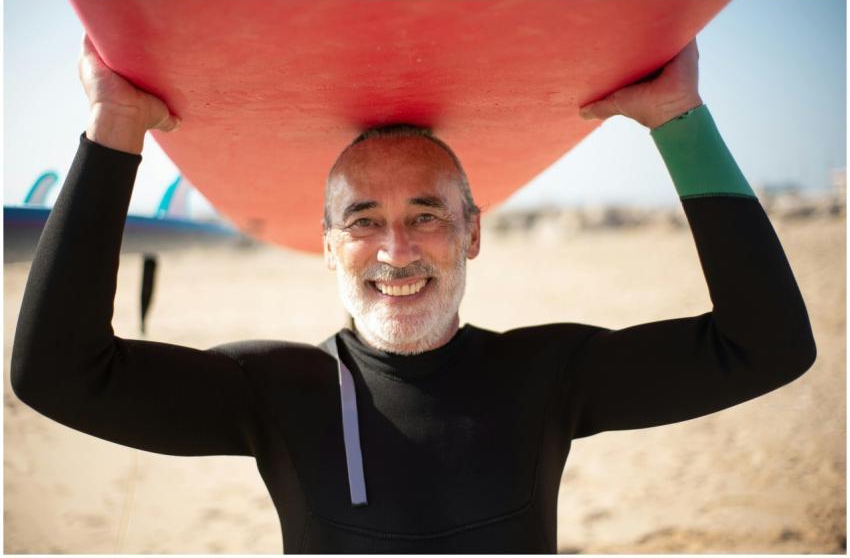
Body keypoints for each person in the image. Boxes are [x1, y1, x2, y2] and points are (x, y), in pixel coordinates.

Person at [10, 35, 816, 553]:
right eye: (363, 221)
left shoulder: (548, 374)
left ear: (472, 233)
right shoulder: (274, 391)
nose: (396, 250)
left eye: (426, 215)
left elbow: (767, 345)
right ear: (328, 248)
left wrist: (680, 119)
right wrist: (114, 128)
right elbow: (56, 375)